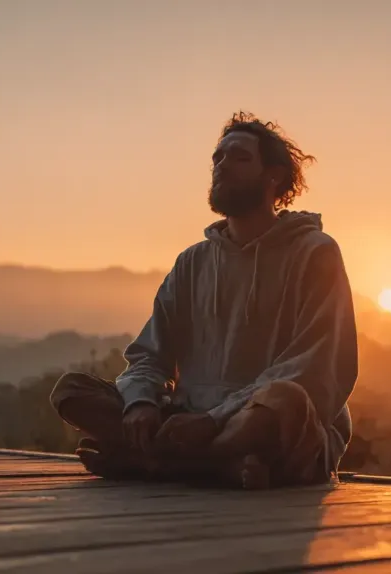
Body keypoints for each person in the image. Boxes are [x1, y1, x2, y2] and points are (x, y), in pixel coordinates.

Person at [49, 111, 357, 489]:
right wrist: (141, 404)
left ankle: (165, 466)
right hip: (185, 421)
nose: (222, 166)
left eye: (239, 157)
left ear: (273, 176)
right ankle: (220, 466)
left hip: (264, 424)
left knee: (285, 399)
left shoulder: (315, 252)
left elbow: (314, 369)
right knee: (72, 389)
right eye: (217, 158)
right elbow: (149, 356)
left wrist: (214, 420)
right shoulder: (192, 262)